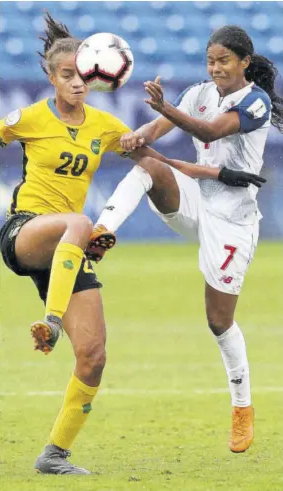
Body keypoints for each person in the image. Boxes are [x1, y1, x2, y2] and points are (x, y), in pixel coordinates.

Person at [0, 16, 262, 475]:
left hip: (70, 248)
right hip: (26, 231)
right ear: (50, 77)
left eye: (83, 75)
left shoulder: (104, 124)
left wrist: (208, 172)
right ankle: (52, 323)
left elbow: (149, 158)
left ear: (97, 74)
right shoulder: (28, 118)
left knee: (95, 355)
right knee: (80, 223)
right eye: (66, 76)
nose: (77, 83)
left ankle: (54, 455)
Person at [91, 25, 283, 454]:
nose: (215, 68)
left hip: (233, 220)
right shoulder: (199, 91)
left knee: (218, 321)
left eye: (224, 61)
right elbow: (158, 130)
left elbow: (209, 132)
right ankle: (102, 231)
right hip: (197, 199)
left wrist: (164, 109)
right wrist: (138, 136)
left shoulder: (256, 101)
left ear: (244, 62)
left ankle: (242, 407)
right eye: (210, 61)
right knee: (147, 166)